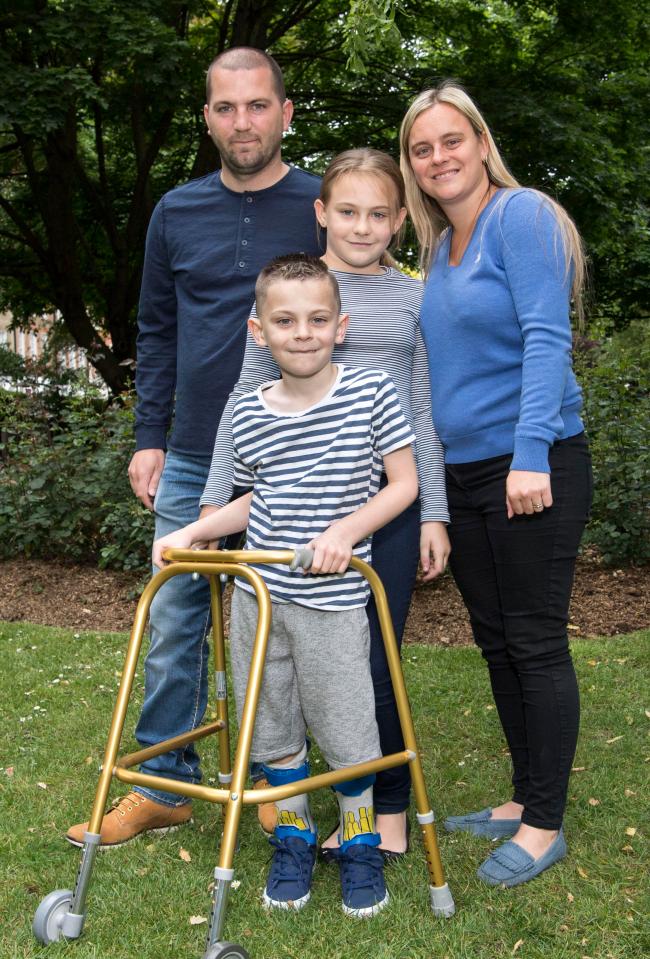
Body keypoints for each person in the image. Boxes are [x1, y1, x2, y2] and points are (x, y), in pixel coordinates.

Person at [66, 48, 322, 848]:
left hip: (299, 454)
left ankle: (290, 786)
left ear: (285, 112)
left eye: (256, 105)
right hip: (192, 455)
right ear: (207, 116)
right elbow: (157, 330)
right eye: (225, 107)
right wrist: (149, 438)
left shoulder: (324, 206)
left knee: (295, 618)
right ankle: (167, 783)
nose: (241, 121)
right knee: (175, 618)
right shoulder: (175, 211)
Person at [199, 148, 451, 859]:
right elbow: (242, 407)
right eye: (347, 211)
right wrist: (218, 507)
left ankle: (385, 812)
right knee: (283, 659)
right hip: (295, 501)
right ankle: (292, 796)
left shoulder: (414, 295)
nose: (362, 226)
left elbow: (423, 404)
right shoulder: (291, 292)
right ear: (322, 214)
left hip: (385, 501)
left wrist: (433, 511)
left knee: (374, 659)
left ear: (400, 220)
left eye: (378, 214)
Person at [154, 254, 420, 916]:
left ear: (340, 326)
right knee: (269, 721)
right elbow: (254, 499)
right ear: (259, 330)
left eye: (317, 319)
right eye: (285, 320)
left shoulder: (370, 394)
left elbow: (405, 482)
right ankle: (294, 837)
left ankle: (360, 845)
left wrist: (345, 530)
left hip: (331, 600)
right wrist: (194, 532)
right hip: (260, 596)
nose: (302, 332)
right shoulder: (247, 410)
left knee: (349, 721)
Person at [399, 81, 593, 886]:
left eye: (452, 139)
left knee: (537, 641)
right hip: (469, 472)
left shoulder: (520, 216)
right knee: (497, 639)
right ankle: (524, 795)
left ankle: (545, 824)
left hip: (533, 460)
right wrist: (438, 499)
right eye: (422, 147)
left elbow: (548, 335)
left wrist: (529, 453)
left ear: (480, 142)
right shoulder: (438, 248)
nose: (439, 157)